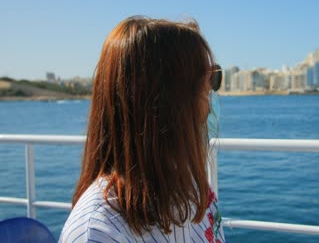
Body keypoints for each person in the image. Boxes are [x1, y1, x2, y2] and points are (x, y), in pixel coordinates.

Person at [59, 16, 225, 243]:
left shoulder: (193, 189)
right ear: (166, 105)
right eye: (205, 86)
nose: (210, 103)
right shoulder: (98, 231)